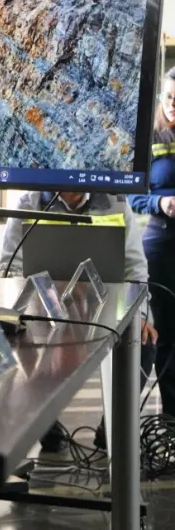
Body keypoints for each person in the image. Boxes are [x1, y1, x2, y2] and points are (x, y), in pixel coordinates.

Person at [0, 190, 157, 451]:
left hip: (105, 306)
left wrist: (138, 314)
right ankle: (45, 422)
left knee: (144, 341)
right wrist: (35, 309)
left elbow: (135, 269)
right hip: (44, 309)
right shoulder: (29, 203)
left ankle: (112, 426)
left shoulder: (116, 202)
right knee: (21, 342)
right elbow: (11, 267)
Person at [129, 67, 175, 420]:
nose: (173, 104)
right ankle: (171, 419)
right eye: (169, 97)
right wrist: (160, 202)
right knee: (168, 332)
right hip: (162, 242)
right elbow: (133, 195)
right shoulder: (150, 137)